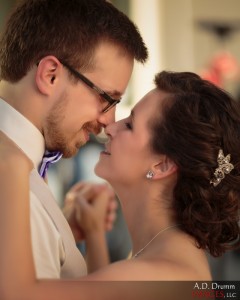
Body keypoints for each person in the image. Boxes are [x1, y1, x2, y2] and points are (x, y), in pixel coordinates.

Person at [1, 71, 240, 300]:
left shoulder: (161, 277)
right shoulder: (165, 258)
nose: (111, 127)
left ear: (162, 165)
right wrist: (94, 235)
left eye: (129, 125)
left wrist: (13, 161)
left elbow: (19, 295)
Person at [0, 0, 148, 280]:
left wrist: (60, 232)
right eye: (106, 98)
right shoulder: (14, 186)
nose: (109, 121)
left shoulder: (26, 177)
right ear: (50, 75)